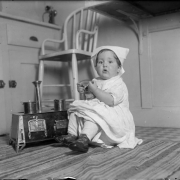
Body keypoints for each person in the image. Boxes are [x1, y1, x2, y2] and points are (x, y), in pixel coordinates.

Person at [54, 46, 143, 153]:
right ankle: (72, 135)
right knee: (77, 109)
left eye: (110, 62)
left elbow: (111, 101)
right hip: (101, 110)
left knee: (94, 115)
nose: (105, 65)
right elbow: (91, 98)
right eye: (100, 62)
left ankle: (84, 138)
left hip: (114, 116)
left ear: (119, 68)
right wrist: (85, 90)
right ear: (96, 67)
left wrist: (95, 90)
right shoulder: (96, 80)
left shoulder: (118, 84)